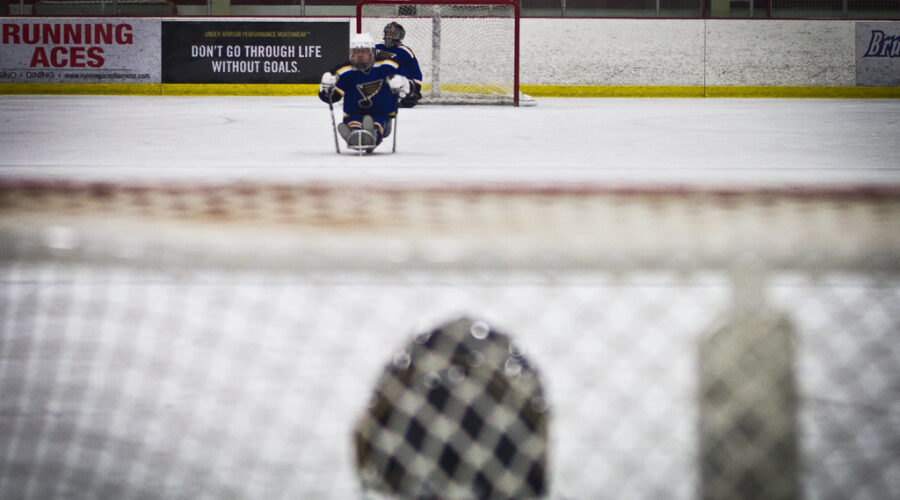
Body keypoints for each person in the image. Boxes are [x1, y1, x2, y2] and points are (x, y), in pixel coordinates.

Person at [319, 32, 412, 152]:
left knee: (377, 125)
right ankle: (354, 137)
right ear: (352, 54)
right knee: (354, 124)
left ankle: (371, 136)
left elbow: (409, 86)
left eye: (364, 51)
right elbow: (333, 97)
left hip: (382, 113)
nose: (360, 55)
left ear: (372, 53)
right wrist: (327, 90)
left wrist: (403, 84)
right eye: (357, 52)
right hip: (354, 113)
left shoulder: (388, 66)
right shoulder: (344, 71)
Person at [375, 22, 423, 108]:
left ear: (400, 36)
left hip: (408, 82)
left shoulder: (404, 51)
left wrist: (414, 91)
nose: (389, 37)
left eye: (393, 34)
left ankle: (404, 97)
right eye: (387, 34)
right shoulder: (377, 47)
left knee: (393, 78)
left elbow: (392, 64)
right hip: (387, 81)